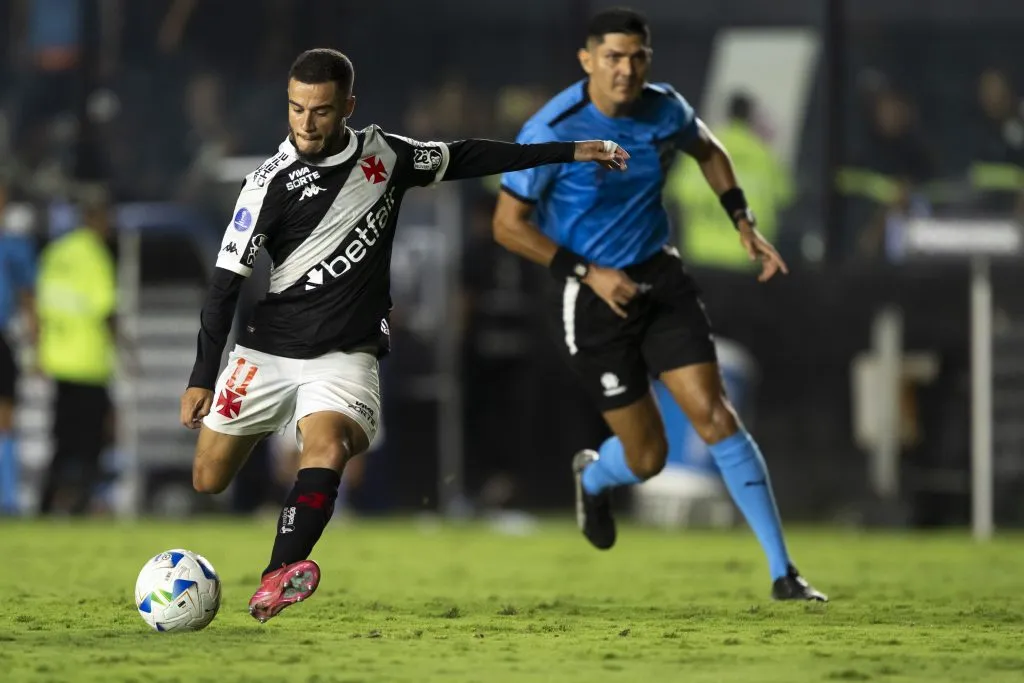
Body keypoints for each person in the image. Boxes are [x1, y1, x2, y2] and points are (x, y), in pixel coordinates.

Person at [179, 47, 628, 623]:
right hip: (266, 349)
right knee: (207, 478)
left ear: (347, 107)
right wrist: (201, 378)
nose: (306, 124)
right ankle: (273, 543)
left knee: (327, 447)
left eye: (320, 111)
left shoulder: (384, 156)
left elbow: (468, 155)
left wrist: (572, 151)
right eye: (296, 109)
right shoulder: (265, 186)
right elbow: (222, 289)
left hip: (345, 353)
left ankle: (278, 573)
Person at [492, 8, 826, 601]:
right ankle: (595, 476)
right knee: (648, 457)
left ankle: (784, 572)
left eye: (637, 56)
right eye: (614, 57)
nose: (626, 69)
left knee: (716, 414)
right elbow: (508, 226)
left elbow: (710, 150)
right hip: (589, 298)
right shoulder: (551, 130)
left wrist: (743, 222)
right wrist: (590, 273)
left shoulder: (664, 106)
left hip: (659, 278)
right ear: (588, 60)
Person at [36, 185, 117, 515]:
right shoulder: (94, 255)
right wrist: (125, 349)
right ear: (94, 218)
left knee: (61, 442)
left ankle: (45, 504)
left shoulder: (56, 253)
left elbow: (43, 303)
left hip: (58, 362)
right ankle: (80, 504)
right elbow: (105, 308)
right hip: (89, 363)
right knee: (92, 443)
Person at [0, 183, 38, 514]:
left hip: (1, 338)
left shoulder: (13, 246)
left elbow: (27, 298)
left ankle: (7, 498)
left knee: (6, 419)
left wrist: (35, 347)